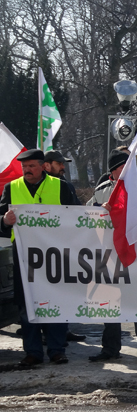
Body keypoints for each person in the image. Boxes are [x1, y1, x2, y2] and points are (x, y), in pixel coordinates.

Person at [0, 149, 75, 366]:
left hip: (56, 255)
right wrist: (5, 220)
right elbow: (1, 221)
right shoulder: (11, 188)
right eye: (24, 167)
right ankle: (32, 352)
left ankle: (56, 350)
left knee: (56, 301)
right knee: (27, 304)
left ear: (43, 166)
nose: (27, 171)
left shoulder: (61, 187)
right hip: (24, 257)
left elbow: (77, 217)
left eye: (31, 166)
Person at [87, 150, 137, 364]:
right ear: (114, 169)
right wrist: (101, 212)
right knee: (110, 304)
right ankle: (110, 349)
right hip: (110, 257)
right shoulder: (101, 190)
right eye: (124, 165)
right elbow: (87, 218)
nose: (130, 168)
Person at [43, 150, 87, 344]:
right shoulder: (36, 186)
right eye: (59, 163)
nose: (63, 167)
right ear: (47, 164)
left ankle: (63, 328)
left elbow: (76, 211)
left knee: (64, 291)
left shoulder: (65, 185)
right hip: (42, 248)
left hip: (63, 246)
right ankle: (48, 333)